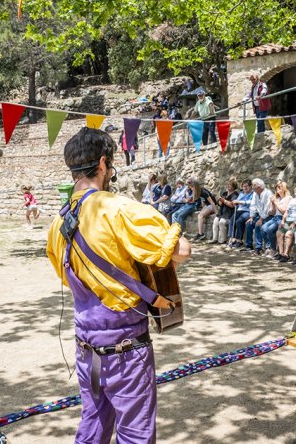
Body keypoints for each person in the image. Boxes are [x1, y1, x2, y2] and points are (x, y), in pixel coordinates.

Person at [45, 127, 191, 443]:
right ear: (102, 164)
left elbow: (69, 278)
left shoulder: (58, 223)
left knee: (94, 422)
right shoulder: (117, 208)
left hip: (87, 351)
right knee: (135, 432)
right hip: (125, 353)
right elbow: (182, 251)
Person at [276, 185, 296, 262]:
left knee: (289, 234)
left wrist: (295, 223)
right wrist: (283, 220)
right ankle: (281, 253)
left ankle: (286, 255)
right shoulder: (292, 200)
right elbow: (287, 211)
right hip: (288, 221)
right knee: (279, 233)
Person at [243, 178, 273, 255]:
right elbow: (253, 205)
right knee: (249, 224)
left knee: (258, 225)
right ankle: (249, 245)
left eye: (254, 186)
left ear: (259, 187)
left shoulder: (268, 193)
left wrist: (261, 219)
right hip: (259, 215)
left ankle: (258, 248)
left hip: (268, 215)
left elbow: (267, 208)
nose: (252, 188)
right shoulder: (255, 193)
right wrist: (251, 217)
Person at [264, 181, 292, 258]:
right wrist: (273, 204)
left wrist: (276, 203)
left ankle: (273, 249)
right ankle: (269, 247)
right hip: (275, 218)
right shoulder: (277, 198)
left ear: (284, 188)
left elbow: (284, 211)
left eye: (279, 187)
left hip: (282, 218)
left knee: (269, 229)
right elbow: (272, 213)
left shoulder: (288, 198)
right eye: (276, 187)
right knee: (263, 228)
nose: (277, 188)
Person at [211, 178, 239, 244]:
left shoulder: (235, 194)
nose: (228, 186)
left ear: (234, 186)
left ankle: (222, 240)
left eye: (230, 185)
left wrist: (224, 201)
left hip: (229, 213)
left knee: (222, 222)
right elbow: (220, 204)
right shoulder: (225, 193)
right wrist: (220, 201)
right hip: (222, 212)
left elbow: (232, 205)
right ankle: (214, 239)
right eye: (227, 184)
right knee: (215, 221)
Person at [229, 180, 254, 248]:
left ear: (251, 186)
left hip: (247, 211)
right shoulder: (241, 194)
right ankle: (232, 238)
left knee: (239, 221)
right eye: (243, 186)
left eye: (246, 186)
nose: (245, 188)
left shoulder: (253, 194)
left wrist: (240, 202)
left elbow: (251, 202)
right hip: (239, 210)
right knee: (231, 220)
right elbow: (237, 201)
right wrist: (235, 203)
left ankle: (239, 240)